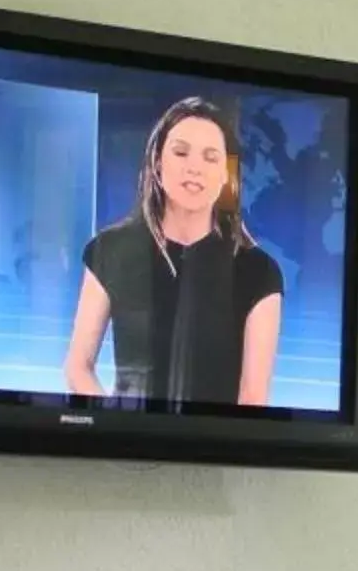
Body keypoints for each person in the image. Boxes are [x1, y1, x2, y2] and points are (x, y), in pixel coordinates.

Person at [63, 97, 283, 407]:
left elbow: (253, 397)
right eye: (181, 152)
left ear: (225, 174)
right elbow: (77, 367)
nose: (194, 167)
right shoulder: (109, 251)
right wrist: (114, 429)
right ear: (157, 162)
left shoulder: (259, 272)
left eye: (210, 157)